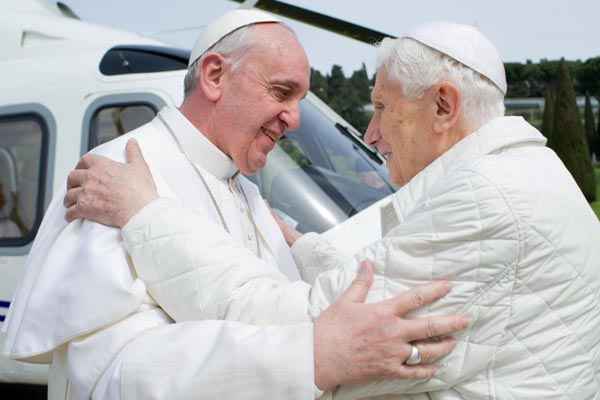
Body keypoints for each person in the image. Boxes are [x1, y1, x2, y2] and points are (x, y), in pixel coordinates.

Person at [64, 21, 600, 399]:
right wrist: (299, 245)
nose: (371, 133)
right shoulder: (524, 175)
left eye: (383, 109)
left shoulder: (488, 203)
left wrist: (145, 215)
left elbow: (309, 330)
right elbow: (372, 277)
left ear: (443, 106)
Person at [2, 10, 467, 400]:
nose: (295, 118)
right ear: (215, 75)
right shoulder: (116, 176)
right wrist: (310, 357)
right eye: (282, 92)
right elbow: (107, 376)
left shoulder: (243, 186)